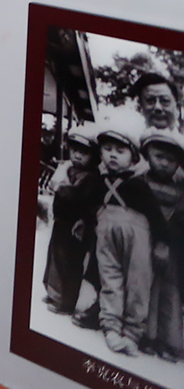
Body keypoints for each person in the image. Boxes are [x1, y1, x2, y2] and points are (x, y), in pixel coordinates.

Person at [92, 123, 167, 357]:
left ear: (133, 157)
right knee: (110, 278)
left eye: (120, 151)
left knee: (138, 282)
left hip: (137, 237)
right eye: (107, 149)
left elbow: (156, 216)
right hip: (106, 236)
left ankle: (133, 333)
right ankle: (111, 327)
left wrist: (162, 242)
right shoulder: (98, 181)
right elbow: (90, 208)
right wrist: (84, 223)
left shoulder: (138, 184)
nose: (112, 155)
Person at [42, 126, 101, 316]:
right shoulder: (69, 169)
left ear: (94, 156)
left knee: (70, 263)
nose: (77, 155)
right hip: (62, 222)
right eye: (75, 150)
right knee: (55, 258)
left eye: (84, 153)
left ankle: (66, 301)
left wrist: (60, 187)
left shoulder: (91, 177)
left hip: (76, 226)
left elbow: (75, 196)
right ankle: (54, 292)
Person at [141, 129, 184, 361]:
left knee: (169, 290)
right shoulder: (140, 182)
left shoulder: (180, 190)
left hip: (171, 247)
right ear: (147, 155)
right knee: (146, 286)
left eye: (171, 159)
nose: (164, 163)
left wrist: (165, 243)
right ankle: (146, 334)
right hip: (143, 241)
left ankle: (169, 340)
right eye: (159, 156)